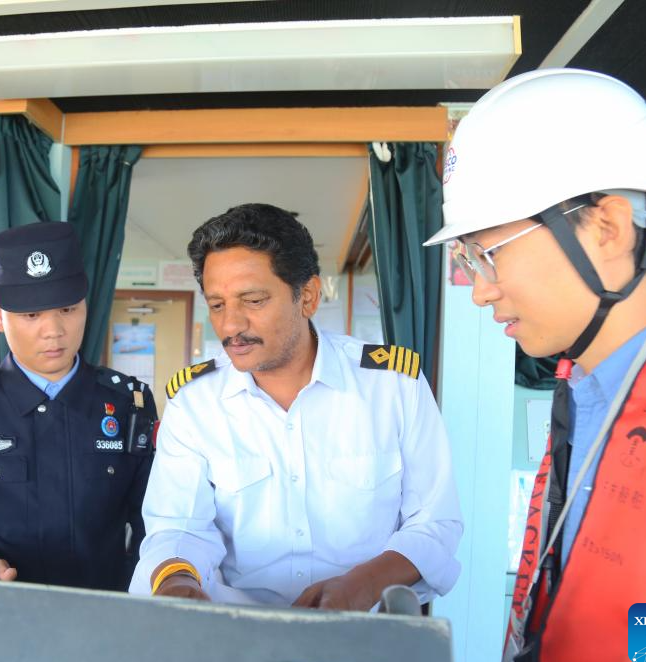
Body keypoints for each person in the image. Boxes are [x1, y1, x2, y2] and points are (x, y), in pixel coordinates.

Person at [424, 68, 646, 662]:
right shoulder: (583, 399)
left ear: (606, 229)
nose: (480, 290)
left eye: (489, 254)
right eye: (467, 259)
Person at [129, 203, 462, 609]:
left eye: (253, 300)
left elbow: (434, 523)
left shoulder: (394, 388)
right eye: (217, 305)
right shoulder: (194, 403)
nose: (230, 325)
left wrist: (366, 583)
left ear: (307, 297)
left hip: (363, 628)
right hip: (237, 630)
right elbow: (178, 527)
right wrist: (178, 580)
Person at [0, 222, 157, 591]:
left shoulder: (128, 404)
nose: (53, 330)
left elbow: (156, 520)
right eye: (31, 315)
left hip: (105, 610)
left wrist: (143, 592)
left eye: (67, 308)